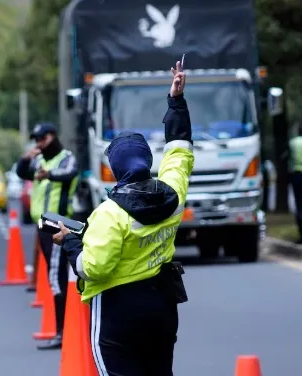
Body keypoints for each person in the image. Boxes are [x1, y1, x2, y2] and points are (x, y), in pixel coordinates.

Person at [53, 61, 193, 375]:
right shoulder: (173, 194)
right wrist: (176, 102)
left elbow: (93, 268)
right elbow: (180, 152)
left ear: (116, 170)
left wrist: (72, 243)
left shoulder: (109, 214)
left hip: (118, 311)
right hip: (162, 305)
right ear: (146, 161)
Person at [16, 122, 79, 350]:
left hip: (58, 222)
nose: (39, 143)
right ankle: (66, 329)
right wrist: (26, 158)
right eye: (36, 140)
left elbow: (70, 173)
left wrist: (48, 174)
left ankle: (63, 332)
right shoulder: (39, 160)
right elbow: (22, 173)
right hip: (43, 223)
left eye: (42, 139)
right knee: (58, 277)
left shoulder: (65, 157)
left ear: (52, 136)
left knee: (56, 277)